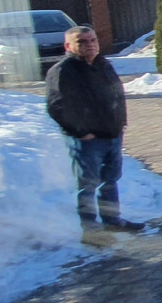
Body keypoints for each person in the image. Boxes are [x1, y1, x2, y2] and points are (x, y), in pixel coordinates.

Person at [45, 25, 143, 233]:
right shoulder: (63, 71)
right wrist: (80, 132)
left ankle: (112, 220)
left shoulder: (103, 65)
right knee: (87, 185)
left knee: (110, 180)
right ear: (68, 46)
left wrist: (120, 123)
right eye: (82, 42)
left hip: (112, 135)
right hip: (87, 140)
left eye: (93, 40)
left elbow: (116, 94)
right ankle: (90, 229)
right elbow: (56, 107)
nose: (89, 45)